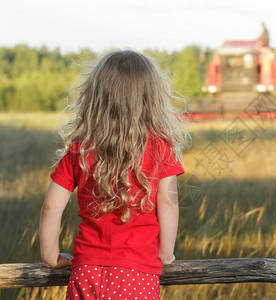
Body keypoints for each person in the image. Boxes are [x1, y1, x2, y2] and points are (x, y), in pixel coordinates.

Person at [39, 49, 189, 299]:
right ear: (151, 99)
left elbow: (50, 207)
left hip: (86, 271)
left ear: (96, 97)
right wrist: (165, 253)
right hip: (138, 275)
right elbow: (168, 202)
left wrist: (50, 256)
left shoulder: (81, 147)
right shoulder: (161, 147)